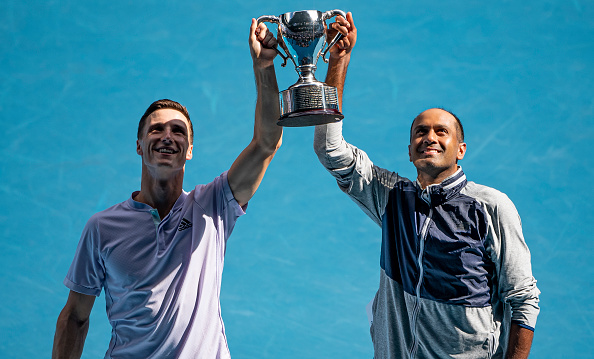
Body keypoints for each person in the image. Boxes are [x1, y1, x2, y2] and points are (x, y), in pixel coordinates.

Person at [313, 13, 540, 358]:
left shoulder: (491, 206)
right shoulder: (392, 197)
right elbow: (329, 149)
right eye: (420, 131)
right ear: (409, 150)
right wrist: (338, 61)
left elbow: (522, 299)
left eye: (441, 131)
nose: (429, 137)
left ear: (460, 149)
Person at [52, 19, 281, 359]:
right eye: (156, 130)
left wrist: (264, 67)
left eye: (178, 131)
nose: (167, 136)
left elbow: (266, 143)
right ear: (140, 146)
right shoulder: (101, 228)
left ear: (189, 150)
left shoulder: (213, 206)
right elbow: (75, 317)